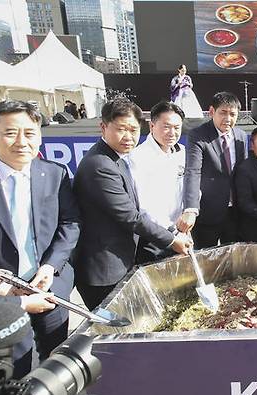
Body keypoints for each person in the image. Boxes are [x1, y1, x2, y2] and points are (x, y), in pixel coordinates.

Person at [0, 100, 80, 375]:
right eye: (11, 132)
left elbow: (70, 224)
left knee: (58, 367)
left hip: (50, 290)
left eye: (30, 133)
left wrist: (50, 267)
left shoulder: (55, 174)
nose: (21, 141)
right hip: (0, 298)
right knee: (20, 371)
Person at [73, 98, 191, 310]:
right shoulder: (100, 165)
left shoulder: (116, 158)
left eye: (133, 130)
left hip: (121, 258)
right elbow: (130, 216)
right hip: (104, 267)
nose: (128, 137)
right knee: (113, 329)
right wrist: (172, 240)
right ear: (103, 126)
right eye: (121, 129)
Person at [179, 92, 248, 248]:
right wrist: (190, 208)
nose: (228, 119)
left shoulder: (241, 136)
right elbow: (192, 171)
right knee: (207, 259)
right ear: (211, 112)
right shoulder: (198, 135)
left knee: (233, 258)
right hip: (208, 211)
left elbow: (243, 172)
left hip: (235, 212)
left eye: (233, 114)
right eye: (223, 113)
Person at [129, 101, 188, 263]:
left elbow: (190, 187)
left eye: (177, 128)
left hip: (182, 233)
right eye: (166, 126)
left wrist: (189, 214)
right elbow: (145, 206)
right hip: (154, 238)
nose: (172, 132)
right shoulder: (138, 157)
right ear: (152, 125)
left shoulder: (181, 152)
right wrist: (172, 232)